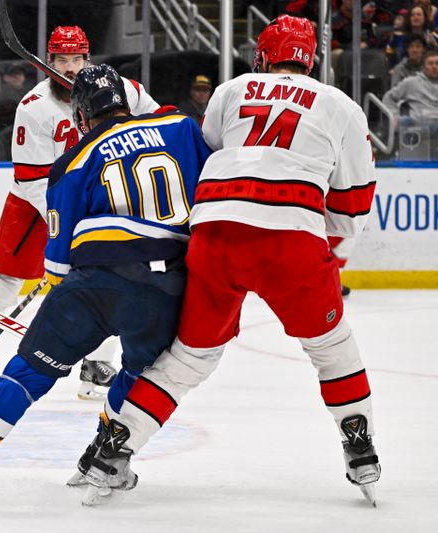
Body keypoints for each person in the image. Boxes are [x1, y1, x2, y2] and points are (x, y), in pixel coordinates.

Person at [77, 15, 381, 507]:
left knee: (190, 357)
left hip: (215, 231)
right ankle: (359, 443)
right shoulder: (340, 106)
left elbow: (207, 158)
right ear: (312, 59)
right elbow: (351, 207)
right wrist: (322, 242)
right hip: (290, 240)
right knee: (331, 346)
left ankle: (117, 445)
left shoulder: (232, 89)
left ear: (262, 55)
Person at [0, 64, 210, 506]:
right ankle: (104, 456)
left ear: (81, 118)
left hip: (92, 284)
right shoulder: (182, 127)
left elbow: (57, 265)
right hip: (165, 285)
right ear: (126, 103)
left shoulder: (73, 160)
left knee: (27, 374)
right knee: (140, 372)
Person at [0, 26, 160, 400]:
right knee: (3, 282)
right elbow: (33, 181)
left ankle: (97, 362)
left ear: (87, 59)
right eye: (62, 60)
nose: (71, 68)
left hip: (100, 196)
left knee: (110, 277)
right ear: (49, 63)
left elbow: (155, 124)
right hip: (35, 204)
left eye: (77, 59)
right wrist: (69, 224)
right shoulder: (34, 108)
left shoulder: (121, 90)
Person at [382, 49, 438, 157]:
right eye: (430, 63)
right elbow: (388, 97)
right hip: (419, 123)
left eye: (437, 63)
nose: (434, 66)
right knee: (404, 122)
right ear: (423, 67)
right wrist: (395, 116)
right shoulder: (411, 82)